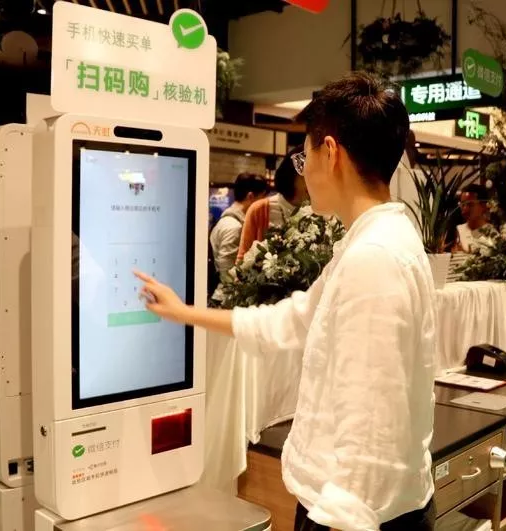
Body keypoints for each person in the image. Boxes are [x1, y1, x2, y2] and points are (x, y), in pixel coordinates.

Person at [136, 72, 437, 531]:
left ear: (330, 153)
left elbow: (371, 436)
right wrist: (183, 312)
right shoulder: (374, 241)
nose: (304, 170)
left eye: (304, 155)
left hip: (350, 517)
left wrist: (340, 520)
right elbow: (291, 320)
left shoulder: (374, 257)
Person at [236, 146, 309, 262]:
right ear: (290, 175)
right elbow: (242, 260)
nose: (313, 182)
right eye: (306, 175)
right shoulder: (259, 209)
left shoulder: (319, 212)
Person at [209, 173, 268, 285]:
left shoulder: (231, 221)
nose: (264, 205)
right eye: (262, 199)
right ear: (250, 196)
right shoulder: (234, 226)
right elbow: (227, 273)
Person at [455, 183, 490, 253]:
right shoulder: (459, 230)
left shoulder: (491, 232)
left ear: (483, 206)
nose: (465, 209)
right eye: (463, 204)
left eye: (470, 204)